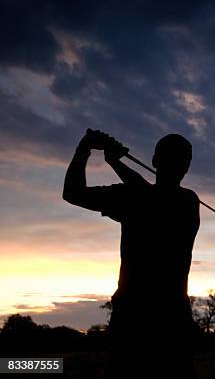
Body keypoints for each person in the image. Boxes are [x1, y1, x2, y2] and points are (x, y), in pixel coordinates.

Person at [63, 129, 200, 378]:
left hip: (139, 317)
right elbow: (145, 193)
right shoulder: (186, 201)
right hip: (166, 317)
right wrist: (114, 161)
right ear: (187, 166)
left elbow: (73, 192)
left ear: (155, 161)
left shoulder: (180, 200)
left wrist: (87, 149)